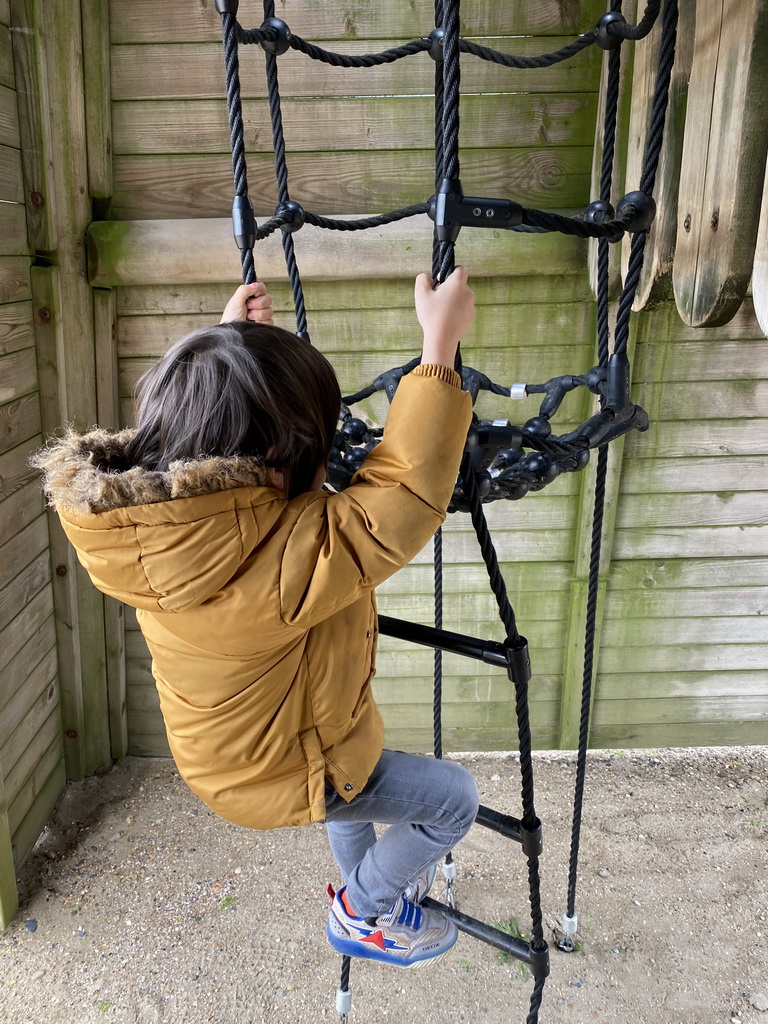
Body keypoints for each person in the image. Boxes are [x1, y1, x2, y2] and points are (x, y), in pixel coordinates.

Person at [33, 269, 479, 969]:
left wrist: (229, 344)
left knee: (352, 789)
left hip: (237, 754)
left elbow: (199, 423)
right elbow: (404, 494)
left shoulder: (154, 525)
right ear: (278, 457)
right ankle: (360, 914)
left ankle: (363, 879)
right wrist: (440, 344)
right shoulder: (280, 564)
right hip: (280, 770)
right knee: (453, 800)